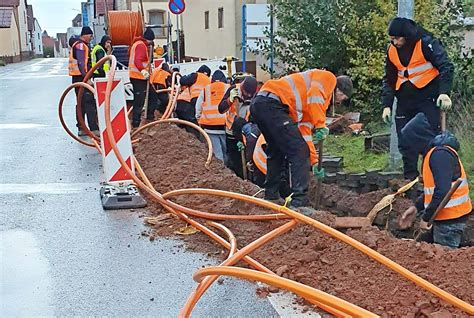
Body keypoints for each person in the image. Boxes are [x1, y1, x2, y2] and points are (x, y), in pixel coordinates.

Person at [250, 69, 352, 213]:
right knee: (298, 151)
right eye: (343, 98)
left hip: (261, 104)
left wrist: (315, 162)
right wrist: (320, 125)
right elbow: (315, 96)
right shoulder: (328, 79)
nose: (340, 101)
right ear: (340, 90)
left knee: (277, 150)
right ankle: (299, 202)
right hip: (272, 104)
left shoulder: (308, 107)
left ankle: (271, 194)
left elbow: (305, 135)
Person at [381, 17, 454, 180]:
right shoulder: (391, 51)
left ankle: (435, 177)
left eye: (397, 38)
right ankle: (411, 180)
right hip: (405, 102)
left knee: (430, 139)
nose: (394, 42)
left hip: (428, 99)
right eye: (391, 39)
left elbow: (446, 66)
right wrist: (386, 105)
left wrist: (444, 92)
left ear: (406, 35)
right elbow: (389, 78)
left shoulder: (426, 43)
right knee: (405, 141)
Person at [398, 113, 471, 248]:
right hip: (445, 217)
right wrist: (416, 208)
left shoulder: (439, 155)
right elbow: (432, 191)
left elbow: (442, 190)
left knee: (445, 260)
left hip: (450, 220)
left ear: (417, 139)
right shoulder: (433, 154)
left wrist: (426, 218)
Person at [218, 76, 258, 178]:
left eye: (250, 94)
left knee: (248, 162)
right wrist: (229, 100)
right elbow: (221, 109)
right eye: (246, 93)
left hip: (246, 134)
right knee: (234, 162)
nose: (248, 95)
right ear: (242, 87)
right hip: (231, 132)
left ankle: (248, 181)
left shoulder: (256, 95)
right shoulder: (233, 89)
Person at [68, 26, 99, 137]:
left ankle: (81, 128)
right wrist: (87, 79)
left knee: (81, 103)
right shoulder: (81, 46)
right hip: (81, 78)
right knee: (89, 102)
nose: (91, 38)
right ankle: (93, 129)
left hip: (77, 78)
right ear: (85, 35)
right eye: (90, 36)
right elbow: (82, 63)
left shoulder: (78, 45)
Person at [195, 70, 229, 162]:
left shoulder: (206, 90)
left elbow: (198, 108)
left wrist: (200, 121)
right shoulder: (229, 88)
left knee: (217, 154)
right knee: (227, 152)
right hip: (225, 127)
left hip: (210, 127)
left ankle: (222, 172)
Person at [128, 27, 155, 127]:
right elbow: (137, 61)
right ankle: (136, 123)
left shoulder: (137, 43)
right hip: (138, 77)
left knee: (152, 96)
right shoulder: (141, 45)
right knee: (139, 101)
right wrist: (144, 72)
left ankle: (149, 117)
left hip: (138, 77)